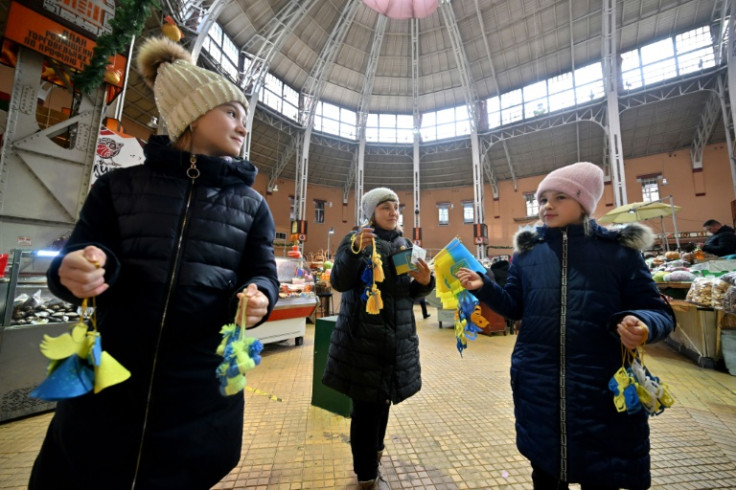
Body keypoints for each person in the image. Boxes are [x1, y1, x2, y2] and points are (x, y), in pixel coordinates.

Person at [29, 37, 280, 490]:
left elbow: (261, 271)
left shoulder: (253, 206)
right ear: (191, 113)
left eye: (245, 117)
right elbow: (83, 252)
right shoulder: (118, 188)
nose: (244, 127)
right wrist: (75, 269)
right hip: (107, 394)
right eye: (231, 113)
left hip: (199, 396)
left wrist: (259, 294)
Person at [457, 162, 675, 490]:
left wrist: (644, 324)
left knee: (601, 475)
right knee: (545, 474)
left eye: (560, 197)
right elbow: (515, 307)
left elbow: (658, 311)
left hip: (600, 393)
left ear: (584, 202)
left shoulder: (619, 251)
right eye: (542, 199)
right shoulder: (528, 253)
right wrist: (484, 287)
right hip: (539, 388)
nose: (547, 205)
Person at [322, 187, 434, 489]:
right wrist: (353, 250)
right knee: (365, 408)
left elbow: (405, 293)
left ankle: (377, 448)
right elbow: (340, 282)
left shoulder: (402, 244)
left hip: (394, 340)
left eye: (396, 207)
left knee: (383, 400)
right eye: (385, 207)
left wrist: (425, 283)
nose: (393, 212)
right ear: (371, 213)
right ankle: (366, 472)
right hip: (363, 341)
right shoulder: (356, 240)